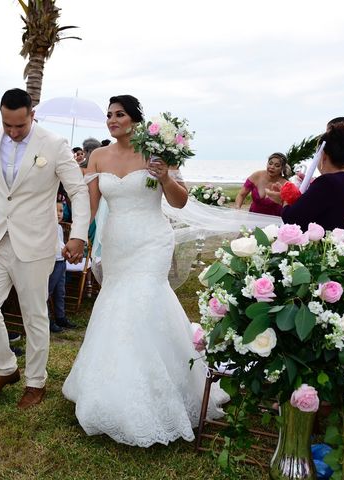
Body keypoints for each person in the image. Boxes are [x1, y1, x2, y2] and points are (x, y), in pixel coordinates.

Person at [62, 94, 228, 446]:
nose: (112, 120)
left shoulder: (156, 152)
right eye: (109, 115)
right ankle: (110, 389)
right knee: (117, 304)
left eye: (119, 114)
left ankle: (160, 393)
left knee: (141, 303)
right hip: (117, 242)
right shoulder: (98, 156)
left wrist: (166, 177)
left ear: (136, 120)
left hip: (152, 241)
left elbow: (180, 201)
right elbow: (90, 206)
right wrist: (79, 238)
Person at [0, 88, 90, 409]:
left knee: (34, 315)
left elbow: (78, 191)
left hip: (36, 243)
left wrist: (79, 235)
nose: (13, 132)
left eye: (20, 126)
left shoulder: (55, 144)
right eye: (8, 125)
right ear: (1, 116)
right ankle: (5, 368)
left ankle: (36, 382)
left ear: (32, 115)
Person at [267, 123, 344, 231]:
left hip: (323, 245)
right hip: (340, 244)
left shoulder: (327, 182)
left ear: (323, 155)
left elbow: (292, 218)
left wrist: (285, 199)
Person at [48, 201, 75, 333]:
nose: (59, 214)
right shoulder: (47, 226)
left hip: (61, 261)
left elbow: (60, 243)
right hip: (52, 261)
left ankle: (60, 316)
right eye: (56, 210)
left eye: (61, 211)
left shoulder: (59, 227)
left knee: (60, 291)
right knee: (48, 291)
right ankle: (47, 320)